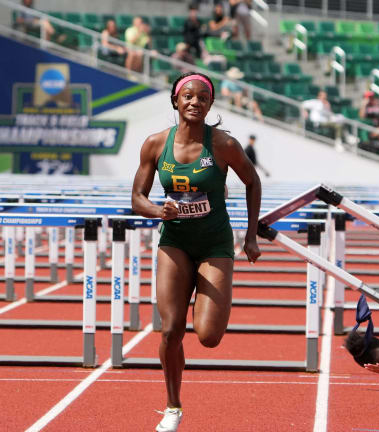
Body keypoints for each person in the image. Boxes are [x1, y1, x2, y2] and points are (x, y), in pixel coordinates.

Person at [131, 72, 263, 432]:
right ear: (176, 100)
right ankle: (173, 407)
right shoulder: (155, 145)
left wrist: (250, 236)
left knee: (208, 336)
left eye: (202, 98)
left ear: (210, 105)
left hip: (214, 244)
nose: (194, 102)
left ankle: (205, 299)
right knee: (171, 330)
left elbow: (253, 181)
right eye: (187, 96)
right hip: (174, 242)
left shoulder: (222, 144)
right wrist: (159, 210)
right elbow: (137, 198)